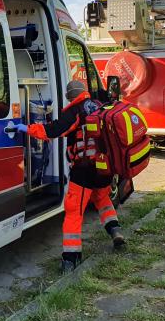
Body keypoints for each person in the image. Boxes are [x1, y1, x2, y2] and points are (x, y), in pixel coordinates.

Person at [15, 80, 125, 273]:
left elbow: (53, 130)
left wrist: (26, 129)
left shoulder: (75, 111)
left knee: (74, 212)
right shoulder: (100, 105)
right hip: (104, 168)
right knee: (102, 198)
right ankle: (115, 230)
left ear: (70, 97)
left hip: (84, 170)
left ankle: (70, 259)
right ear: (84, 92)